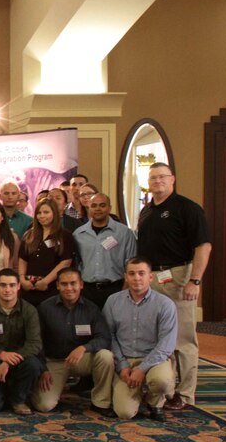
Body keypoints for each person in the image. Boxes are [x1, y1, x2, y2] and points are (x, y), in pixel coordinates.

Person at [136, 162, 211, 411]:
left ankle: (186, 393)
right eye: (153, 177)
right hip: (152, 279)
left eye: (162, 177)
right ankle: (166, 389)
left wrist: (195, 280)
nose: (157, 181)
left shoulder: (188, 209)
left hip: (179, 276)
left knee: (183, 339)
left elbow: (203, 246)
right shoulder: (146, 211)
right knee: (159, 336)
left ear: (173, 179)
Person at [30, 268, 114, 414]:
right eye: (64, 284)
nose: (69, 288)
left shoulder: (91, 309)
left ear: (81, 284)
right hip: (54, 362)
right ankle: (50, 389)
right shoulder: (45, 308)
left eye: (73, 283)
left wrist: (84, 348)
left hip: (81, 359)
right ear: (57, 286)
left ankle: (101, 402)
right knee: (44, 406)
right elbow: (36, 342)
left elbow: (104, 338)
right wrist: (42, 369)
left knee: (105, 356)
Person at [103, 258, 179, 421]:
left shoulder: (165, 304)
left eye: (141, 273)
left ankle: (155, 403)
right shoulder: (113, 301)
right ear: (126, 277)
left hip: (154, 360)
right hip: (125, 360)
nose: (137, 278)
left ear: (150, 277)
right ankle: (136, 392)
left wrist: (142, 369)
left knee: (161, 381)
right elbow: (109, 336)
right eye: (132, 273)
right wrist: (122, 366)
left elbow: (166, 344)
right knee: (124, 413)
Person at [0, 268, 42, 415]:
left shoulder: (29, 311)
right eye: (3, 285)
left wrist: (8, 361)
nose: (7, 290)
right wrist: (0, 355)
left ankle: (18, 399)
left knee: (34, 365)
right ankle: (2, 392)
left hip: (20, 364)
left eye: (12, 285)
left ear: (18, 286)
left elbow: (35, 344)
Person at [72, 193, 136, 308]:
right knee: (88, 325)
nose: (98, 209)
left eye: (102, 205)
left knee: (114, 325)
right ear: (89, 208)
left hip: (115, 288)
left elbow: (131, 263)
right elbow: (76, 263)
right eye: (94, 205)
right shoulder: (78, 234)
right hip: (87, 290)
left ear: (109, 208)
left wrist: (125, 289)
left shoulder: (124, 233)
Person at [18, 199, 76, 308]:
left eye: (46, 212)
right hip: (29, 289)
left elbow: (65, 262)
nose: (41, 216)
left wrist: (46, 281)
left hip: (52, 289)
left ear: (54, 213)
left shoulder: (65, 235)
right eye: (39, 213)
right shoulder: (29, 234)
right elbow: (22, 259)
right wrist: (21, 279)